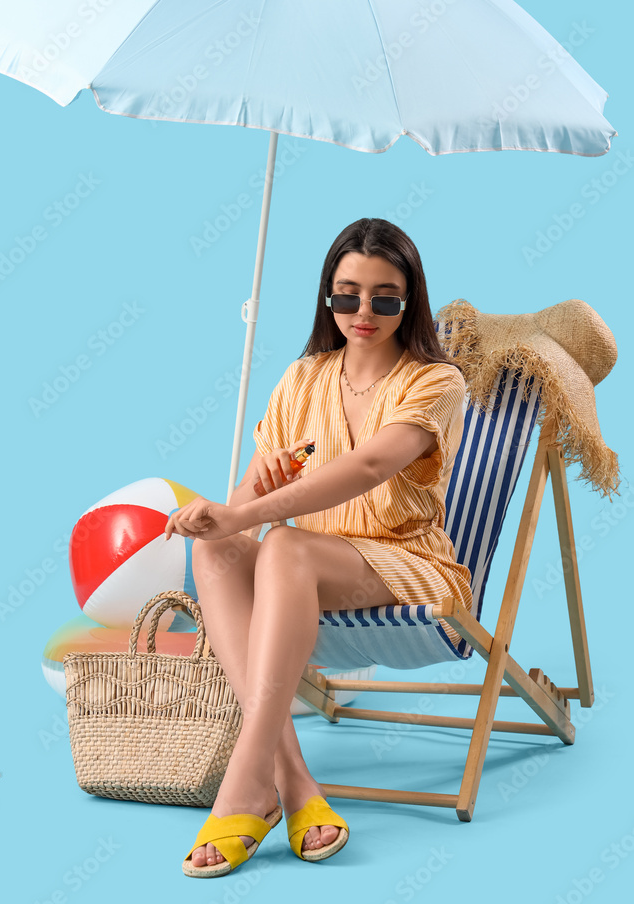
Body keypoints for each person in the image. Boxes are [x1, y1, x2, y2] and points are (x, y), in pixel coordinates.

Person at [165, 217, 472, 877]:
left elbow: (366, 470)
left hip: (406, 565)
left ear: (409, 300)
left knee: (281, 547)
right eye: (346, 294)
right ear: (326, 296)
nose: (363, 312)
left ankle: (247, 782)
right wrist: (231, 506)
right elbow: (242, 504)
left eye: (384, 298)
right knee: (218, 553)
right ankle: (295, 786)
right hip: (303, 566)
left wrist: (253, 512)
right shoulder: (302, 378)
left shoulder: (435, 383)